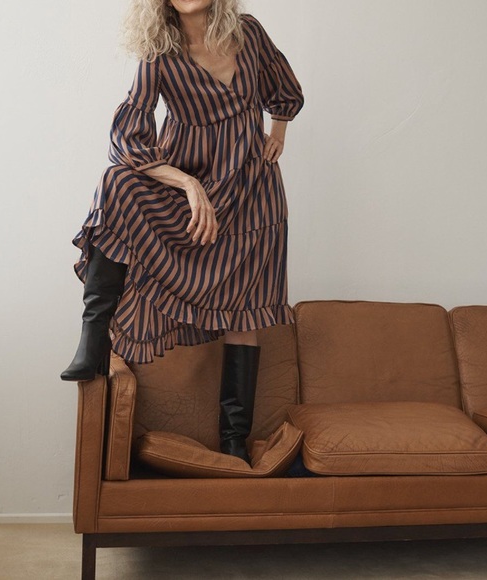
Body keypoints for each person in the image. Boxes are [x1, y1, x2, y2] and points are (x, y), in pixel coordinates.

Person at [60, 0, 305, 465]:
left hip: (253, 191)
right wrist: (189, 184)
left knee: (245, 314)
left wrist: (279, 130)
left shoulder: (248, 32)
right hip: (187, 185)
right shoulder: (158, 52)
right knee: (116, 184)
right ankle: (94, 338)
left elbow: (283, 86)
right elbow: (127, 139)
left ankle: (233, 442)